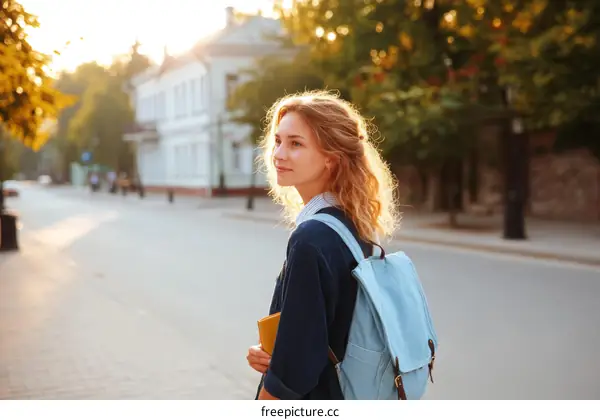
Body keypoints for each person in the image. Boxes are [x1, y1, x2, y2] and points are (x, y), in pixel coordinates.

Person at [246, 90, 401, 400]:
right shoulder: (352, 225)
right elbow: (325, 329)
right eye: (278, 140)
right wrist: (271, 352)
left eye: (296, 144)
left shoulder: (311, 238)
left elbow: (297, 369)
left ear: (331, 157)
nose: (279, 153)